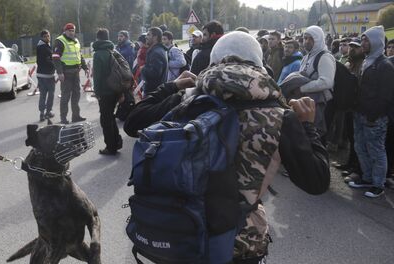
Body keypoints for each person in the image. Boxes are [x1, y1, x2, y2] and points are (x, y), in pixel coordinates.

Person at [124, 31, 330, 263]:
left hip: (181, 233)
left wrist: (171, 86)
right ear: (260, 66)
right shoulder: (280, 114)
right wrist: (308, 127)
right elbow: (317, 181)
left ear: (213, 62)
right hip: (240, 242)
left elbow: (133, 123)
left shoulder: (188, 98)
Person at [348, 26, 394, 198]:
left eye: (367, 40)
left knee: (376, 150)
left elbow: (386, 96)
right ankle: (367, 178)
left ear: (376, 41)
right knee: (360, 147)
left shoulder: (385, 65)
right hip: (359, 114)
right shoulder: (367, 61)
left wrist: (373, 115)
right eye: (363, 39)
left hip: (374, 118)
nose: (363, 43)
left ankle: (378, 184)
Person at [298, 25, 336, 138]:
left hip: (321, 104)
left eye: (311, 38)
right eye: (305, 38)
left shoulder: (325, 56)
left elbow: (327, 82)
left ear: (318, 39)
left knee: (317, 137)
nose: (307, 41)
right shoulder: (307, 56)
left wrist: (301, 88)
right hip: (308, 102)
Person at [92, 28, 123, 155]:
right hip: (115, 89)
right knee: (111, 117)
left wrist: (97, 92)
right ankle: (117, 142)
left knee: (106, 120)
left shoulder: (98, 54)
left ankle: (111, 147)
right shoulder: (113, 51)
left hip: (105, 92)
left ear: (98, 38)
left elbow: (97, 77)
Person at [52, 23, 89, 124]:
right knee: (65, 96)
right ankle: (63, 118)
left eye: (73, 30)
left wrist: (85, 67)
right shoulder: (59, 41)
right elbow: (55, 57)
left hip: (76, 72)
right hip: (66, 73)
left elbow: (79, 55)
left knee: (76, 95)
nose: (71, 32)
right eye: (69, 30)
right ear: (65, 31)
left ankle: (76, 116)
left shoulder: (76, 41)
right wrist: (59, 72)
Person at [340, 38, 364, 184]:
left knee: (356, 139)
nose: (352, 49)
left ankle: (356, 167)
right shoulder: (349, 63)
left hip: (357, 106)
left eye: (356, 47)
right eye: (351, 47)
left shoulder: (362, 64)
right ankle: (349, 164)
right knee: (350, 136)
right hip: (348, 105)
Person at [140, 27, 168, 97]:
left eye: (148, 35)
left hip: (153, 94)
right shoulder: (157, 50)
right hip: (155, 92)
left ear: (155, 37)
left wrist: (143, 69)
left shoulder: (156, 52)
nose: (146, 37)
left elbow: (155, 74)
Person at [36, 30, 56, 122]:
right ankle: (47, 112)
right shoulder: (44, 47)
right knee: (50, 94)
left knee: (43, 95)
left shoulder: (41, 46)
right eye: (46, 36)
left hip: (42, 75)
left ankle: (42, 113)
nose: (48, 38)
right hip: (47, 75)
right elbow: (48, 60)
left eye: (48, 36)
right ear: (42, 38)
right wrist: (55, 64)